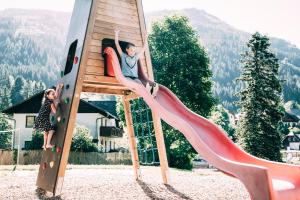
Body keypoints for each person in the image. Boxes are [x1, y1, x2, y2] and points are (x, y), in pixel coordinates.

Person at [114, 30, 159, 97]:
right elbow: (117, 45)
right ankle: (147, 91)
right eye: (131, 50)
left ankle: (151, 93)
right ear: (127, 49)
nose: (133, 52)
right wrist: (116, 34)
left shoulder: (136, 57)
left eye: (134, 51)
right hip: (126, 77)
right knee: (135, 84)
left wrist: (146, 37)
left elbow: (144, 48)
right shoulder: (123, 56)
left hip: (135, 77)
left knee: (140, 84)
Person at [33, 84, 63, 150]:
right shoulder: (50, 102)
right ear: (47, 95)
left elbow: (56, 96)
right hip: (44, 118)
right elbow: (54, 111)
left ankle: (44, 145)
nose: (53, 95)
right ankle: (48, 144)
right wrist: (57, 105)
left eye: (53, 94)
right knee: (52, 129)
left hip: (39, 118)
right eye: (52, 94)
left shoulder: (46, 101)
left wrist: (57, 89)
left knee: (46, 131)